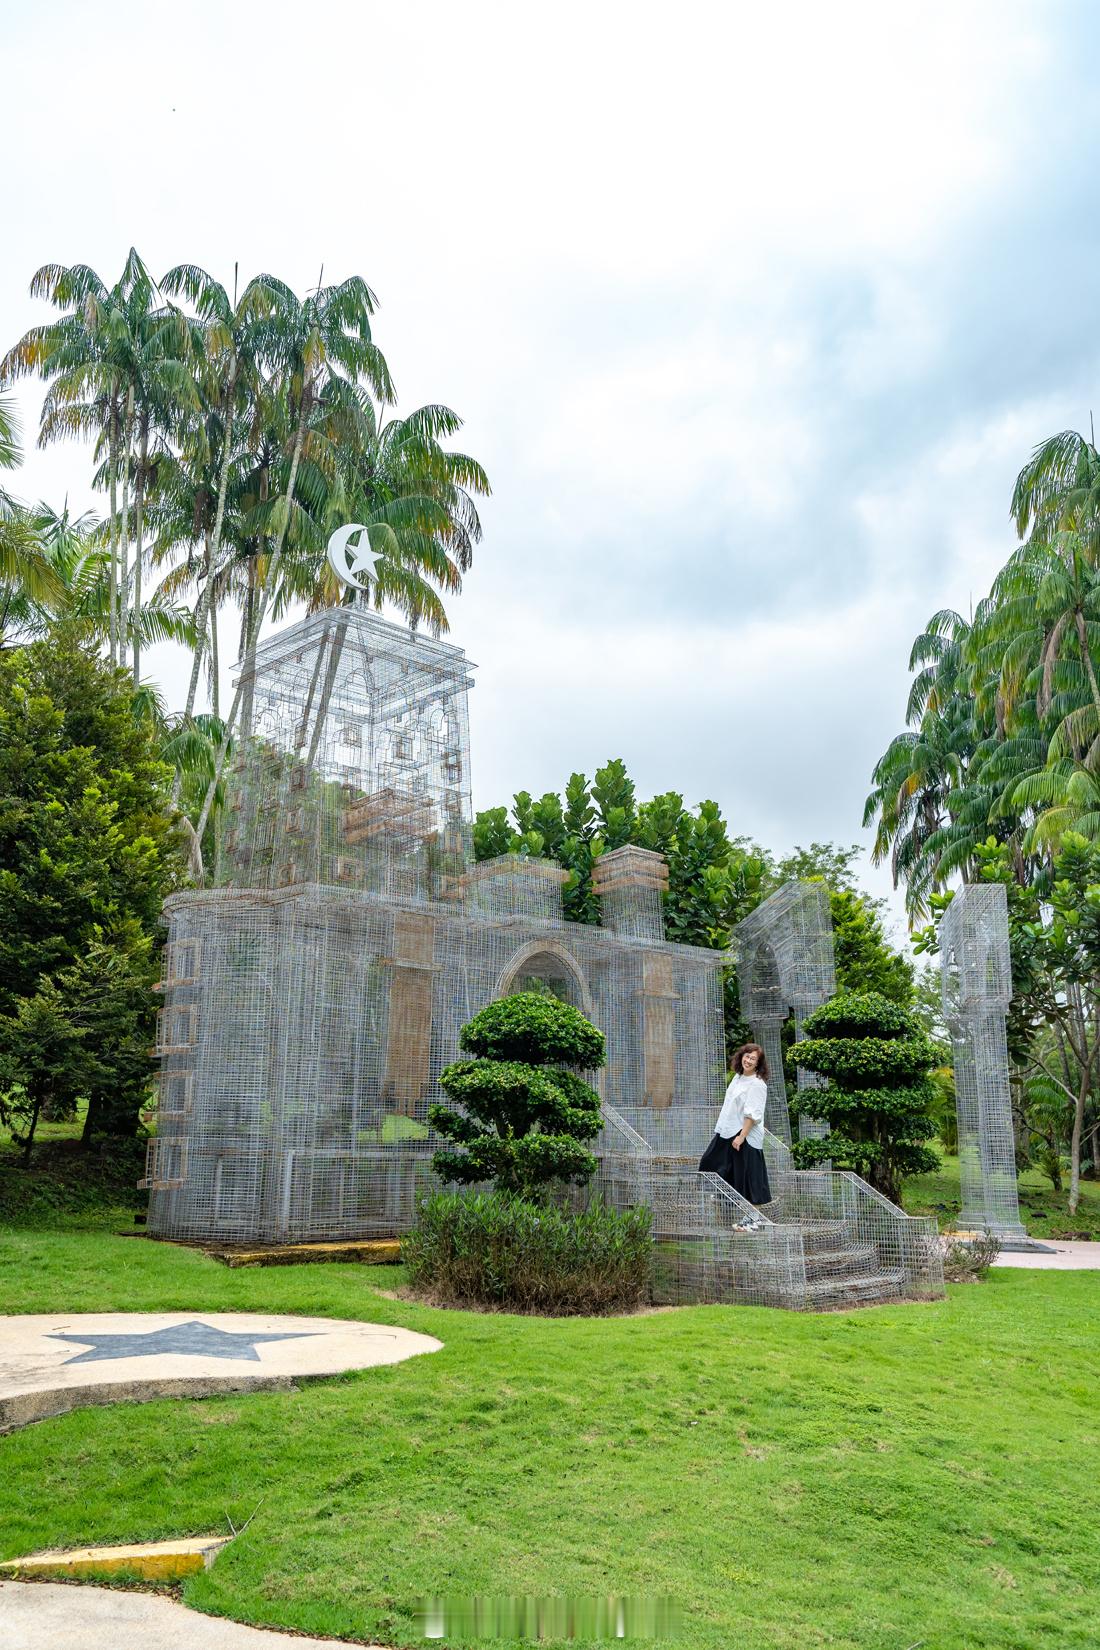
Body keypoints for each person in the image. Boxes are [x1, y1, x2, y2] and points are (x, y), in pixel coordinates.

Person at [698, 1043, 772, 1205]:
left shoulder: (757, 1084)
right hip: (727, 1129)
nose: (749, 1060)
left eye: (753, 1058)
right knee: (710, 1161)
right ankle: (725, 1200)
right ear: (741, 1056)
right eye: (747, 1056)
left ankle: (749, 1213)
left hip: (744, 1133)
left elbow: (752, 1114)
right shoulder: (737, 1078)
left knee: (744, 1176)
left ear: (758, 1063)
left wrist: (741, 1137)